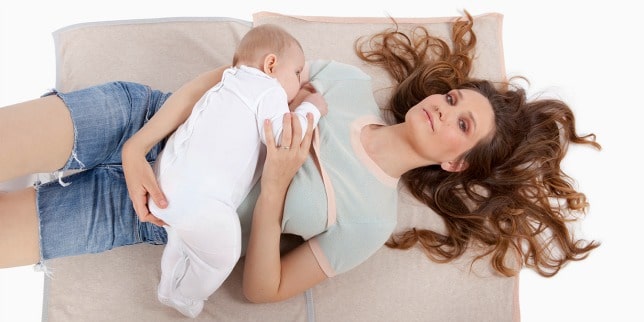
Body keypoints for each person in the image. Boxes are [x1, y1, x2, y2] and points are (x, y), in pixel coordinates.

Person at [0, 11, 600, 315]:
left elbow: (264, 289)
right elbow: (232, 80)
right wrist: (136, 145)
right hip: (143, 117)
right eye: (450, 99)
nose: (442, 112)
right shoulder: (344, 84)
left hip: (148, 215)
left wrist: (275, 190)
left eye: (461, 123)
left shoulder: (367, 223)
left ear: (457, 164)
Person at [149, 24, 326, 317]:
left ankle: (172, 280)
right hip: (204, 199)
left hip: (166, 177)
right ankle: (183, 295)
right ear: (271, 65)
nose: (299, 80)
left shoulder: (228, 81)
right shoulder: (267, 89)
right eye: (297, 73)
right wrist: (311, 108)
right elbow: (286, 136)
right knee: (221, 255)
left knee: (184, 236)